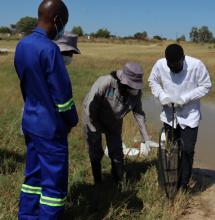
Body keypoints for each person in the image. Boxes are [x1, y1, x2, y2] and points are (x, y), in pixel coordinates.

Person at [14, 0, 78, 219]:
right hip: (50, 128)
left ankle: (27, 216)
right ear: (57, 20)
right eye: (64, 23)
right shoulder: (50, 49)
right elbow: (62, 98)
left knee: (32, 177)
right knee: (53, 186)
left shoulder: (22, 45)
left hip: (30, 121)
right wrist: (72, 120)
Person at [148, 44, 212, 191]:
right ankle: (169, 180)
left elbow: (206, 85)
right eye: (170, 64)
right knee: (169, 149)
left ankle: (183, 184)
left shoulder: (196, 65)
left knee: (188, 150)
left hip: (190, 115)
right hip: (169, 115)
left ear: (183, 59)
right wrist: (161, 95)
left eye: (176, 64)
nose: (173, 67)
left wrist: (186, 98)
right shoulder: (160, 65)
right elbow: (153, 81)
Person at [83, 62, 151, 185]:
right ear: (123, 81)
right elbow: (89, 106)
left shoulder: (136, 94)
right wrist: (93, 130)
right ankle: (97, 182)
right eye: (131, 86)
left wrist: (146, 138)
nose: (134, 89)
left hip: (114, 121)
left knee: (117, 152)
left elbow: (139, 114)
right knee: (95, 151)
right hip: (94, 118)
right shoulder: (105, 83)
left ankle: (118, 181)